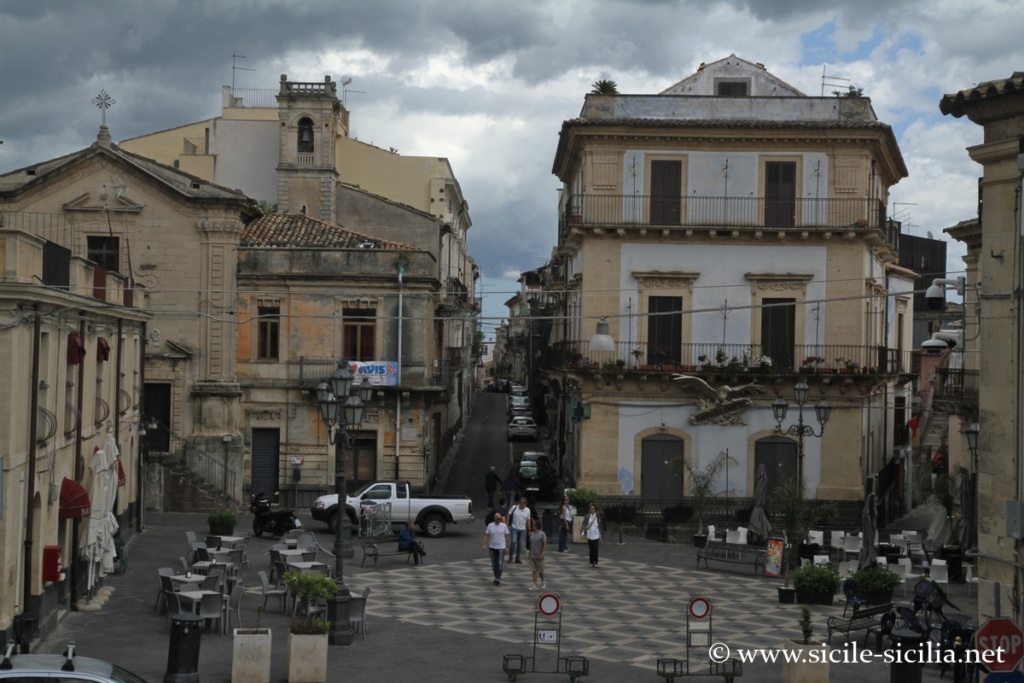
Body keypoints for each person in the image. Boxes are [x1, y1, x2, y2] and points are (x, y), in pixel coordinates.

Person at [483, 511, 510, 585]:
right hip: (492, 547)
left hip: (501, 547)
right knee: (494, 564)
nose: (499, 520)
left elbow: (507, 536)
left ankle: (498, 578)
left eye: (500, 519)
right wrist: (484, 544)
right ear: (494, 518)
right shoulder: (490, 525)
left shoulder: (504, 526)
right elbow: (486, 535)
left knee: (500, 563)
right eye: (498, 519)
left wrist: (507, 546)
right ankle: (496, 577)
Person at [508, 497, 531, 564]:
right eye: (520, 502)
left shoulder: (527, 510)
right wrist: (507, 523)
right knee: (513, 542)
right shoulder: (514, 507)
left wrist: (529, 529)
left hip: (522, 528)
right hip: (514, 527)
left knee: (520, 544)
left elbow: (528, 520)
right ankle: (510, 556)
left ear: (525, 504)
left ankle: (517, 558)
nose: (521, 504)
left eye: (523, 503)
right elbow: (509, 514)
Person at [527, 518, 547, 590]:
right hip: (532, 555)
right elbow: (530, 544)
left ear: (537, 526)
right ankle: (534, 585)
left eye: (534, 525)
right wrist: (529, 552)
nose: (533, 526)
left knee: (540, 571)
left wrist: (542, 553)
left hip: (539, 556)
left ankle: (543, 581)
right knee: (534, 570)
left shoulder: (542, 534)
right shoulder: (532, 534)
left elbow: (544, 544)